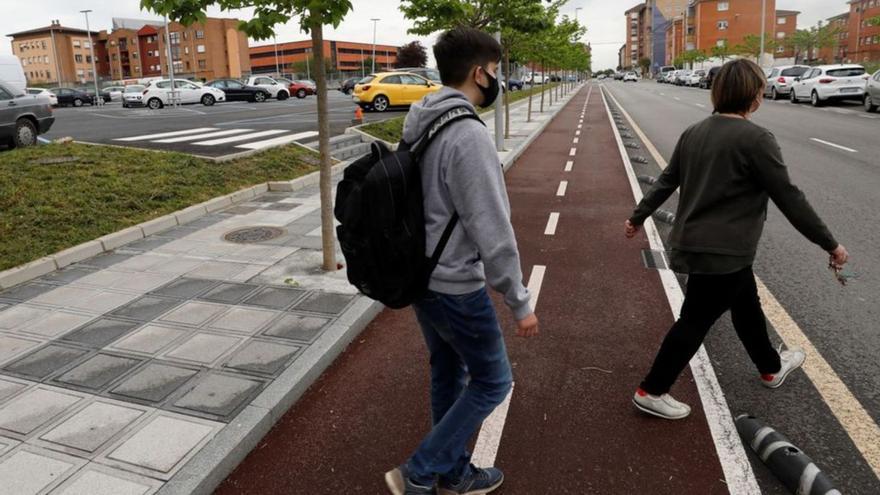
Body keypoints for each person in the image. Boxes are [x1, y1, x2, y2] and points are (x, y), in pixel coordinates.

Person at [624, 59, 849, 420]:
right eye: (760, 88)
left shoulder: (694, 132)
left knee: (746, 304)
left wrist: (638, 215)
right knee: (695, 320)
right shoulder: (757, 139)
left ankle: (770, 366)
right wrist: (830, 244)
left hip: (697, 244)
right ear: (753, 95)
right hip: (723, 251)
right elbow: (790, 198)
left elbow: (667, 180)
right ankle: (652, 390)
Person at [383, 28, 539, 494]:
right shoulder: (467, 135)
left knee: (448, 372)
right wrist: (519, 300)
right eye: (495, 71)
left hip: (422, 276)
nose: (497, 79)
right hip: (454, 283)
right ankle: (420, 470)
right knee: (494, 381)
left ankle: (452, 472)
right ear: (479, 72)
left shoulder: (423, 119)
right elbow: (491, 226)